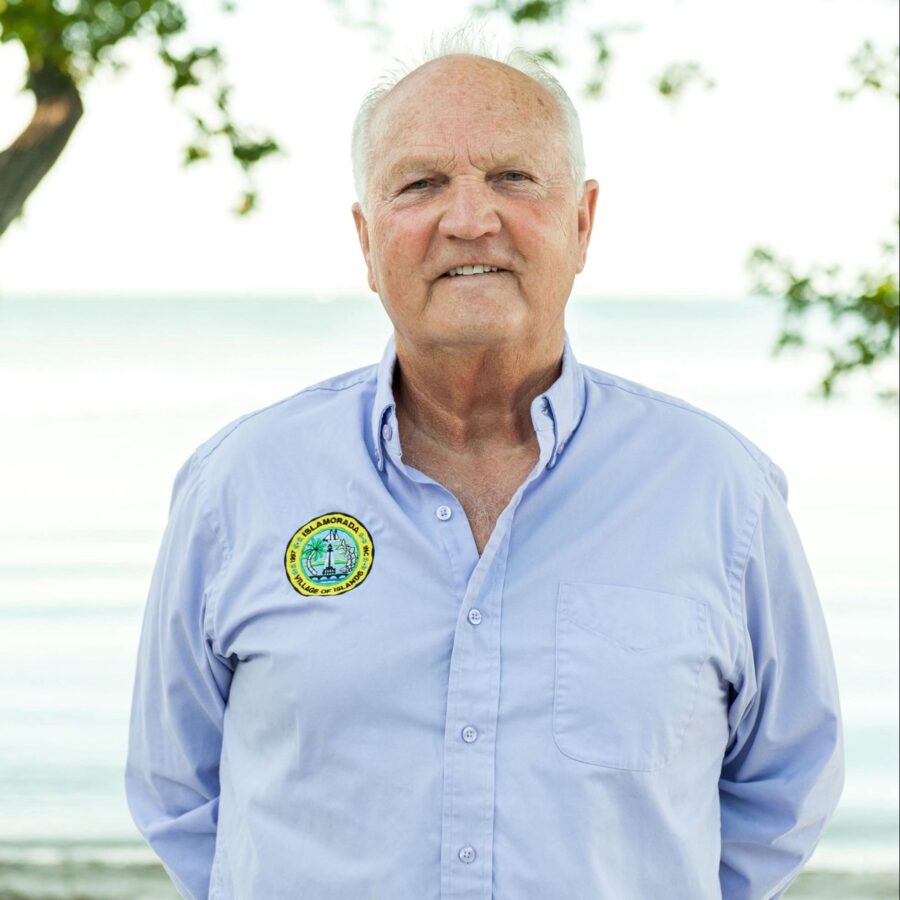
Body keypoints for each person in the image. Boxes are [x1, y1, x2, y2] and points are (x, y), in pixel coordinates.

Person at [125, 28, 844, 900]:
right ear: (365, 239)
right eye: (421, 184)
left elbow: (786, 786)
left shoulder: (719, 491)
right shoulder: (237, 487)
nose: (470, 219)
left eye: (512, 177)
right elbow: (178, 791)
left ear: (581, 223)